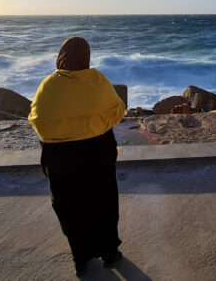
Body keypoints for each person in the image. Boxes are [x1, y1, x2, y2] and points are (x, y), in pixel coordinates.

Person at [29, 37, 126, 277]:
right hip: (98, 150)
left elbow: (37, 120)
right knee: (104, 200)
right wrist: (95, 125)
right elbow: (118, 111)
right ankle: (110, 252)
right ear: (86, 57)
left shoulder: (49, 85)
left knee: (69, 205)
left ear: (62, 56)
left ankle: (80, 258)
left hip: (61, 156)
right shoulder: (98, 80)